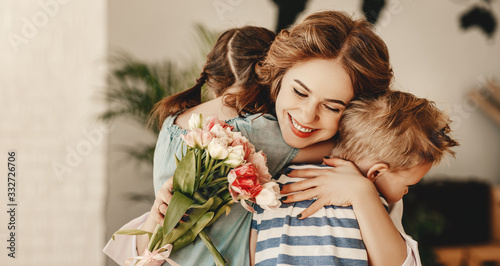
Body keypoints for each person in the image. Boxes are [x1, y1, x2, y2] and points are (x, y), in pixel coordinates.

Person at [104, 10, 408, 266]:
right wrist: (158, 217)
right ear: (276, 76)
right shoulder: (243, 140)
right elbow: (146, 254)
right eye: (299, 92)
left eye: (332, 107)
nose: (306, 116)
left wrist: (361, 192)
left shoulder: (364, 174)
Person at [250, 90, 459, 265]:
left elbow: (251, 246)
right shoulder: (372, 203)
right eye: (408, 185)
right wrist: (365, 194)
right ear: (376, 172)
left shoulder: (276, 183)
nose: (406, 192)